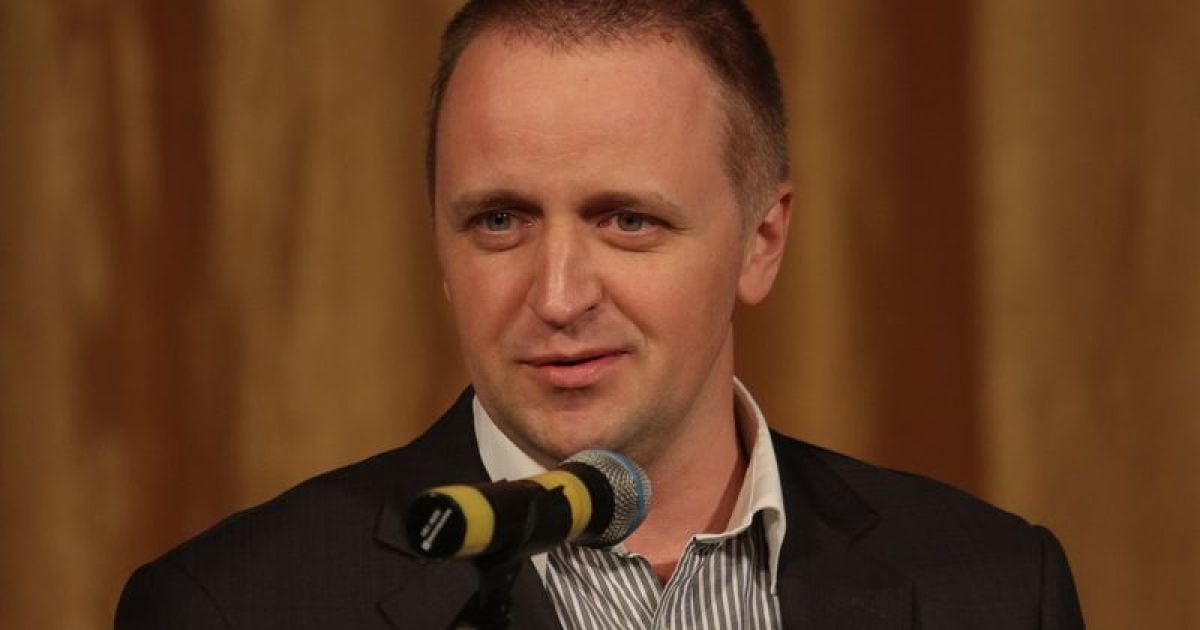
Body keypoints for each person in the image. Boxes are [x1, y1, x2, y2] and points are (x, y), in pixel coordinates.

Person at [116, 1, 1085, 628]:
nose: (557, 297)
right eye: (499, 221)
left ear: (762, 240)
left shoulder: (998, 590)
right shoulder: (234, 609)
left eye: (628, 221)